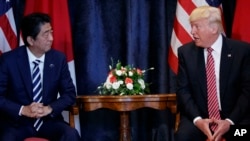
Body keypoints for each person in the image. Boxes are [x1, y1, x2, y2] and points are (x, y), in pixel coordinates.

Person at [0, 13, 81, 141]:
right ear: (30, 40)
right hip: (18, 124)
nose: (51, 38)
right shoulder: (8, 61)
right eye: (45, 34)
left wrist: (49, 108)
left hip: (49, 122)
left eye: (51, 32)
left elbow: (70, 93)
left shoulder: (58, 59)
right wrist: (23, 109)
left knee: (71, 135)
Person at [175, 6, 250, 141]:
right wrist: (198, 120)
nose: (192, 32)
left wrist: (229, 122)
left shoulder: (242, 52)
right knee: (183, 137)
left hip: (234, 119)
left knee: (243, 134)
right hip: (201, 119)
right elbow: (183, 91)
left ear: (214, 28)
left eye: (197, 27)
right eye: (192, 27)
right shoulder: (186, 53)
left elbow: (248, 92)